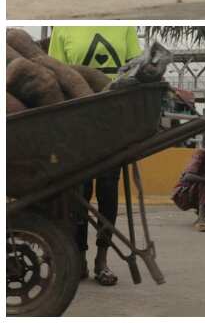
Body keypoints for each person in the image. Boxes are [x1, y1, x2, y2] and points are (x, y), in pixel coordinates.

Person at [48, 26, 143, 286]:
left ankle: (102, 259)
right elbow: (54, 71)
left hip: (112, 122)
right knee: (80, 195)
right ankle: (79, 258)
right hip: (78, 124)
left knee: (108, 191)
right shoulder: (63, 29)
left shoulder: (125, 27)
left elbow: (135, 69)